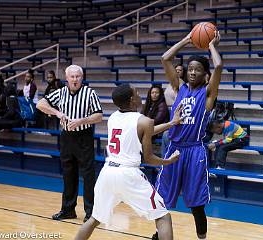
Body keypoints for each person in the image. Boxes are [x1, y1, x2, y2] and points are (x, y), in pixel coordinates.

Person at [74, 84, 183, 240]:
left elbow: (141, 131)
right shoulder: (145, 121)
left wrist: (171, 123)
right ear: (132, 100)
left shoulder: (113, 117)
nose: (140, 95)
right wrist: (168, 161)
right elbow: (149, 158)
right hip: (128, 174)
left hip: (107, 173)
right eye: (137, 93)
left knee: (94, 219)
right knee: (163, 217)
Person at [154, 31, 223, 240]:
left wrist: (211, 45)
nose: (192, 72)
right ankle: (160, 235)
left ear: (205, 75)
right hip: (174, 148)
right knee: (160, 199)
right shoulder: (179, 87)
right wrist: (186, 40)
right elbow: (165, 58)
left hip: (194, 151)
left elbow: (218, 66)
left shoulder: (208, 94)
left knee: (196, 204)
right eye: (190, 69)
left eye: (198, 70)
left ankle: (201, 238)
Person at [36, 64, 103, 223]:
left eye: (77, 76)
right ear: (66, 79)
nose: (75, 79)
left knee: (88, 175)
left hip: (84, 136)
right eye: (72, 77)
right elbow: (40, 104)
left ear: (82, 78)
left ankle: (90, 212)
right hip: (66, 136)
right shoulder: (60, 93)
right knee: (68, 173)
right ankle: (68, 210)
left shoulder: (90, 93)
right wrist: (57, 112)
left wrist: (82, 121)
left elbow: (99, 115)